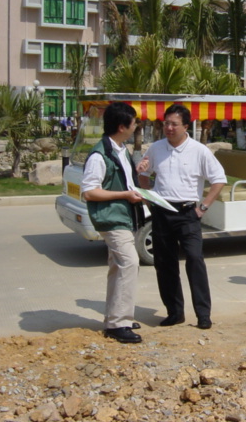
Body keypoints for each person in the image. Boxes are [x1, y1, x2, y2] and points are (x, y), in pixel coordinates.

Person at [138, 104, 226, 330]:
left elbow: (219, 179)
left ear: (186, 126)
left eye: (173, 124)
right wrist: (149, 199)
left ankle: (203, 314)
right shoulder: (155, 148)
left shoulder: (199, 150)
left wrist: (203, 207)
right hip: (161, 212)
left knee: (195, 260)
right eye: (166, 123)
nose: (168, 127)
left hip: (188, 213)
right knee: (165, 264)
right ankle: (174, 312)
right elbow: (144, 174)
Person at [81, 102, 145, 344]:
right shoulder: (100, 155)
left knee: (118, 267)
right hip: (112, 217)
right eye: (133, 122)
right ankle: (118, 324)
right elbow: (90, 192)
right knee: (129, 263)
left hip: (123, 216)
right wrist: (125, 195)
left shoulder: (120, 149)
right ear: (122, 126)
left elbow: (124, 180)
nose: (136, 126)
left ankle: (117, 318)